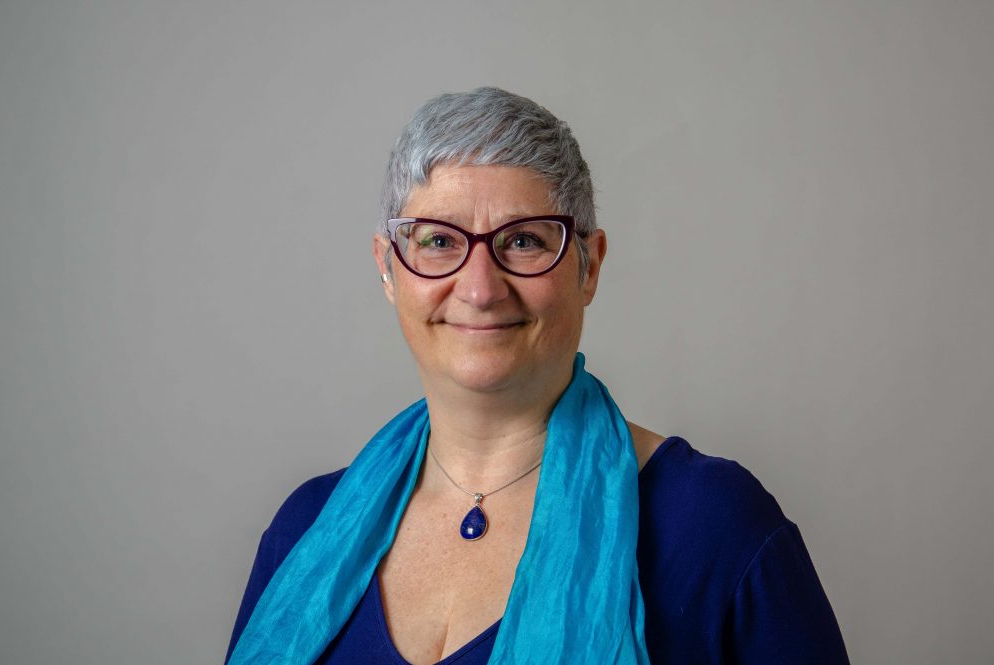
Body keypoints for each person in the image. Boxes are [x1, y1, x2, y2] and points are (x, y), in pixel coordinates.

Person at [225, 87, 849, 664]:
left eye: (523, 240)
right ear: (389, 269)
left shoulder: (713, 526)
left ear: (589, 266)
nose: (479, 289)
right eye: (439, 241)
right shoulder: (305, 528)